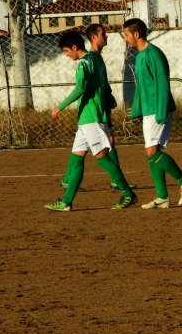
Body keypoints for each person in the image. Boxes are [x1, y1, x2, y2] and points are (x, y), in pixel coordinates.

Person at [45, 30, 137, 212]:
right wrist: (109, 100)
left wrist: (60, 107)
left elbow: (80, 88)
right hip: (87, 118)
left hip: (91, 117)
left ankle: (128, 193)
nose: (66, 55)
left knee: (101, 158)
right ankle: (66, 202)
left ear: (74, 47)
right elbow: (103, 84)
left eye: (66, 51)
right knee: (77, 157)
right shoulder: (96, 59)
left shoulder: (83, 64)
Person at [122, 18, 182, 209]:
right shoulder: (139, 56)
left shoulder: (154, 54)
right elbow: (141, 87)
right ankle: (162, 197)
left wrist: (161, 111)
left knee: (151, 151)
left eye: (126, 35)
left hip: (157, 109)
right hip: (148, 110)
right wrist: (137, 110)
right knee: (153, 152)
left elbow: (162, 83)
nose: (125, 39)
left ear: (136, 34)